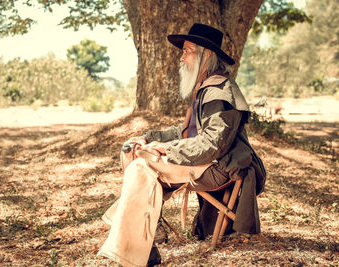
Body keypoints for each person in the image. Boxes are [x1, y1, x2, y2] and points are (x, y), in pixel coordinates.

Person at [98, 23, 266, 267]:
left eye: (187, 51)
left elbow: (213, 144)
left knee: (141, 167)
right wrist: (149, 137)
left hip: (218, 168)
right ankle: (148, 237)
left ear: (205, 55)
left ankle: (136, 253)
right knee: (134, 152)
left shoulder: (220, 92)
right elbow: (186, 131)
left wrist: (168, 149)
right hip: (206, 161)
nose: (182, 57)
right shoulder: (205, 88)